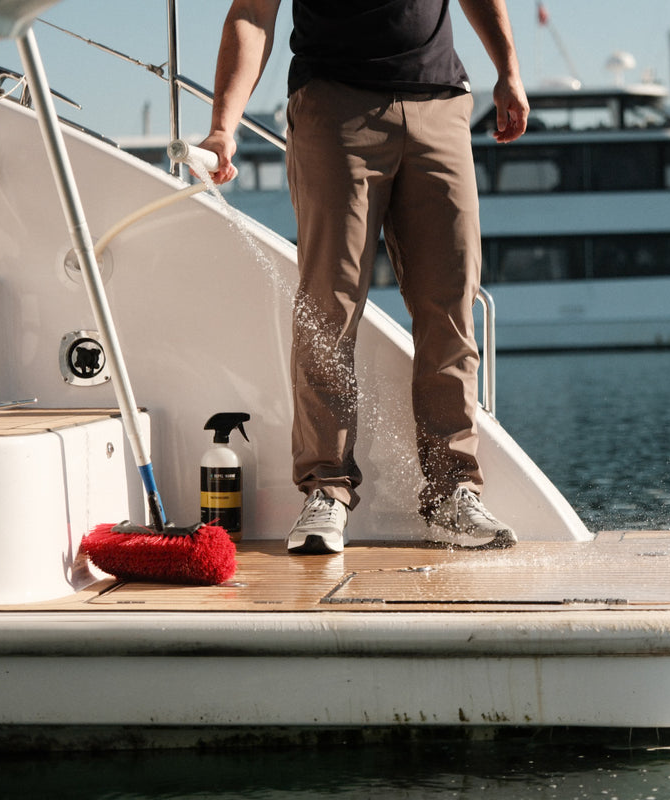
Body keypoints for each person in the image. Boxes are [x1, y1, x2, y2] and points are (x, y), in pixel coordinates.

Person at [200, 0, 529, 555]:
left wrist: (508, 71)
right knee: (329, 307)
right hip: (335, 105)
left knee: (450, 304)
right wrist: (222, 127)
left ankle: (453, 492)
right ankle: (325, 489)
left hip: (440, 102)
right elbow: (253, 12)